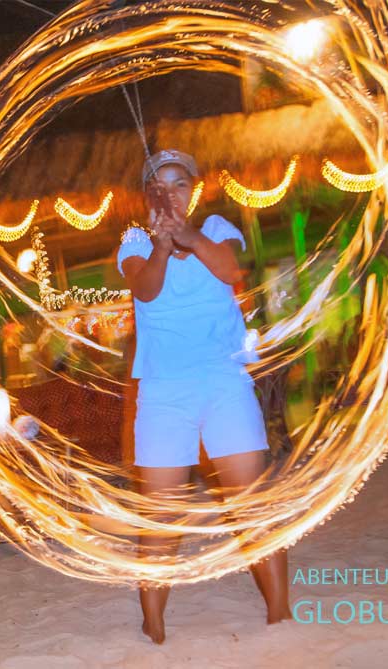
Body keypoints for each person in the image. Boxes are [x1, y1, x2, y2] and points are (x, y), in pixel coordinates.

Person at [117, 149, 291, 644]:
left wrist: (187, 237)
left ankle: (280, 616)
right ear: (146, 195)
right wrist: (160, 246)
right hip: (164, 392)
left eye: (179, 184)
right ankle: (152, 626)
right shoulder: (133, 240)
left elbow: (230, 270)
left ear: (193, 189)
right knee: (162, 516)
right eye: (159, 186)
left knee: (251, 506)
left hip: (223, 383)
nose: (170, 194)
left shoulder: (215, 226)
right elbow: (146, 290)